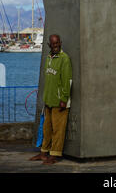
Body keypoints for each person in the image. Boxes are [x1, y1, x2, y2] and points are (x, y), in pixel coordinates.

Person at [29, 34, 72, 165]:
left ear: (60, 42)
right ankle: (43, 152)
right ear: (49, 45)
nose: (56, 46)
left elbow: (67, 80)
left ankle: (55, 155)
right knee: (46, 128)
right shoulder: (49, 57)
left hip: (60, 101)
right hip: (48, 100)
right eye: (53, 44)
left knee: (58, 130)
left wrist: (64, 98)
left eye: (57, 43)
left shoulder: (64, 59)